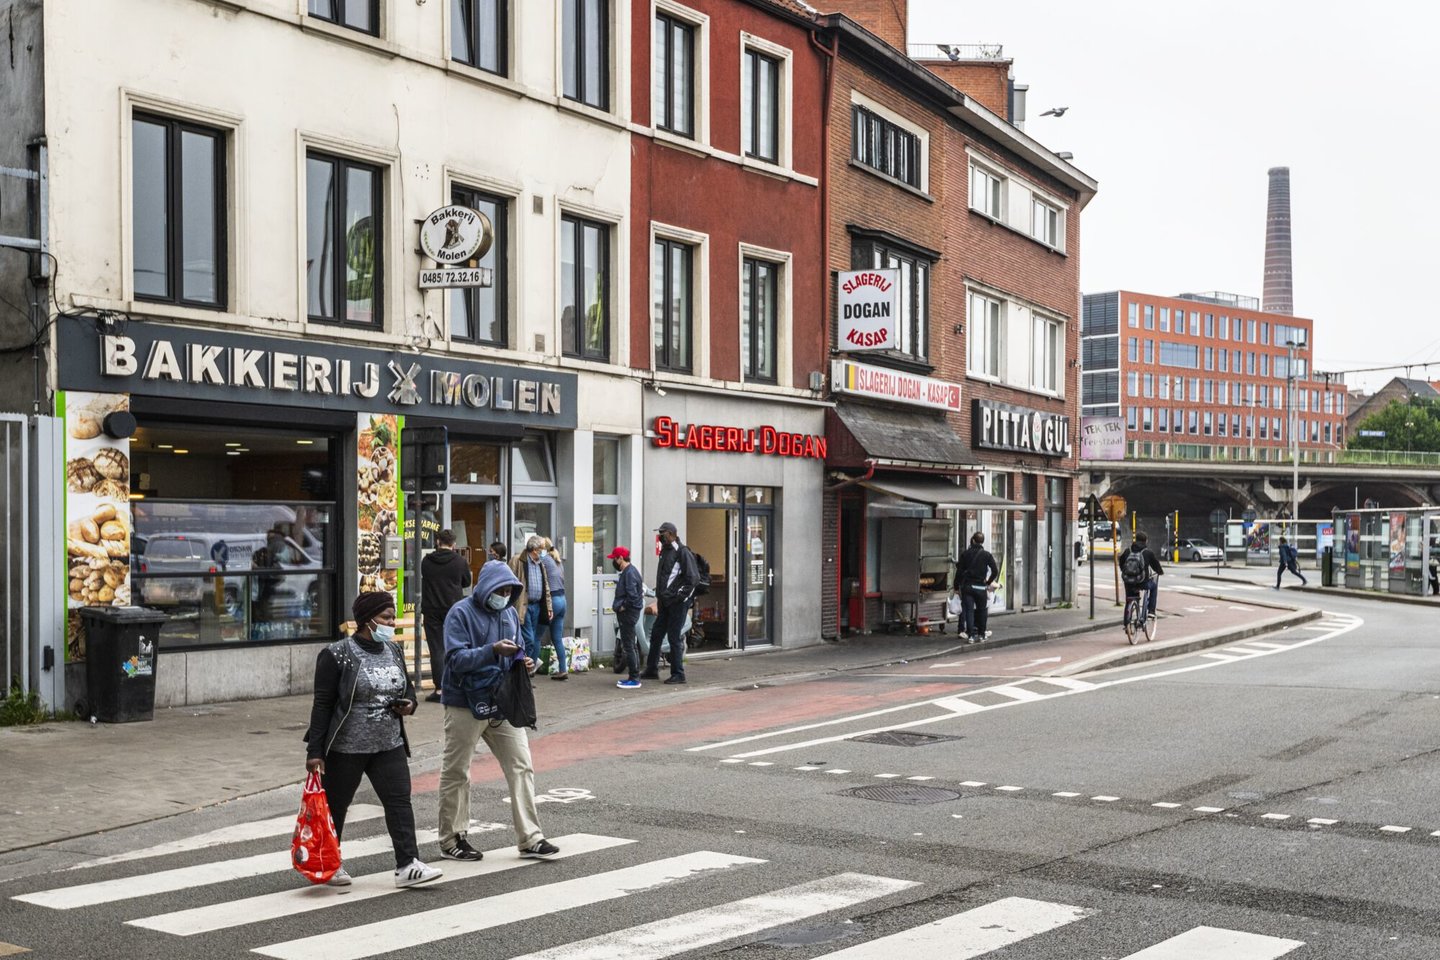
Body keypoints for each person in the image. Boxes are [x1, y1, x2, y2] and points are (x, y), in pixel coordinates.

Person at [303, 591, 441, 888]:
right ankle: (330, 862)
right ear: (367, 620)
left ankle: (407, 864)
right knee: (336, 807)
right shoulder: (337, 654)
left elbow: (407, 690)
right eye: (386, 618)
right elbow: (323, 704)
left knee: (399, 802)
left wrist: (409, 704)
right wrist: (315, 752)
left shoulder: (393, 651)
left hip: (388, 743)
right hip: (346, 747)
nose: (392, 623)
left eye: (392, 617)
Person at [437, 560, 560, 863]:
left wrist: (524, 662)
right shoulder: (461, 613)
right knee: (457, 770)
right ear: (485, 587)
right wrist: (492, 650)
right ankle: (453, 838)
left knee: (521, 764)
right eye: (500, 590)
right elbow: (454, 660)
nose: (504, 595)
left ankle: (531, 837)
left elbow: (515, 650)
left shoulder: (508, 614)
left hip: (502, 699)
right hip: (464, 701)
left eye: (509, 590)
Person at [643, 521, 700, 684]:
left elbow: (693, 578)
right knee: (656, 634)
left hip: (677, 603)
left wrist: (679, 597)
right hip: (665, 602)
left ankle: (678, 674)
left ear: (670, 534)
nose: (660, 537)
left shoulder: (682, 552)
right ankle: (651, 669)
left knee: (674, 637)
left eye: (662, 534)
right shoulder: (665, 551)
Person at [420, 530, 471, 703]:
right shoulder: (460, 561)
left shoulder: (426, 561)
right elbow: (467, 582)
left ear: (437, 541)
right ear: (453, 544)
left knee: (437, 649)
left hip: (431, 609)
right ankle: (456, 685)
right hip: (453, 608)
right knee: (455, 647)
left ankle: (440, 689)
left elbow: (425, 577)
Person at [517, 536, 569, 680]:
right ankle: (563, 669)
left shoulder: (544, 560)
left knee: (535, 637)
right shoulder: (558, 560)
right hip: (562, 600)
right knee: (557, 638)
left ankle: (530, 669)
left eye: (541, 549)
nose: (540, 553)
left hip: (552, 600)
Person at [607, 546, 645, 688]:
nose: (614, 561)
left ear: (620, 558)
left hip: (627, 614)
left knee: (629, 645)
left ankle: (634, 678)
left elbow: (633, 596)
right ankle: (634, 676)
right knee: (631, 645)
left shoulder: (628, 573)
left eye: (614, 558)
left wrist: (622, 607)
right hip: (631, 613)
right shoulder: (632, 571)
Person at [953, 532, 1000, 644]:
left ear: (973, 540)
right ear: (982, 541)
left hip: (968, 587)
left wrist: (956, 586)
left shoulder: (965, 554)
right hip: (980, 587)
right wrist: (988, 582)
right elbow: (995, 571)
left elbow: (959, 572)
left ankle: (971, 636)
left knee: (969, 611)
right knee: (982, 611)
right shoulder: (987, 555)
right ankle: (982, 634)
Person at [1119, 531, 1164, 627]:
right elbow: (1156, 565)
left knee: (1130, 599)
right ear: (1145, 541)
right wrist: (1160, 572)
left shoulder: (1128, 551)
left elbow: (1121, 562)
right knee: (1153, 586)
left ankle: (1127, 622)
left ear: (1135, 540)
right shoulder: (1148, 552)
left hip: (1128, 581)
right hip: (1142, 581)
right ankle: (1151, 611)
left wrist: (1126, 571)